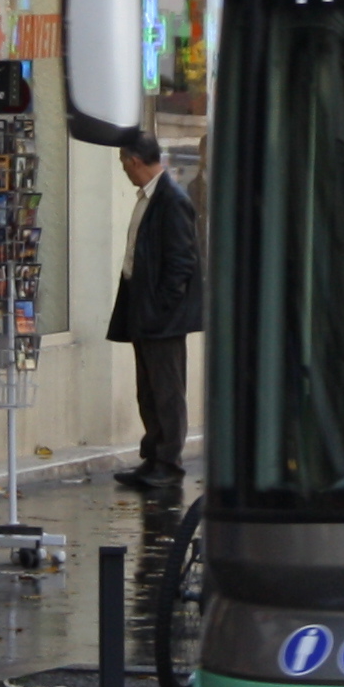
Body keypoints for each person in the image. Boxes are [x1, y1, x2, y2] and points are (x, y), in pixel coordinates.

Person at [105, 138, 202, 491]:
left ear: (133, 161)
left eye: (123, 164)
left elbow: (181, 261)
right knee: (148, 387)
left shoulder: (172, 200)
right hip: (142, 306)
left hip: (161, 314)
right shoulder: (151, 198)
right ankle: (153, 455)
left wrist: (163, 307)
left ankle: (168, 461)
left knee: (166, 388)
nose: (124, 170)